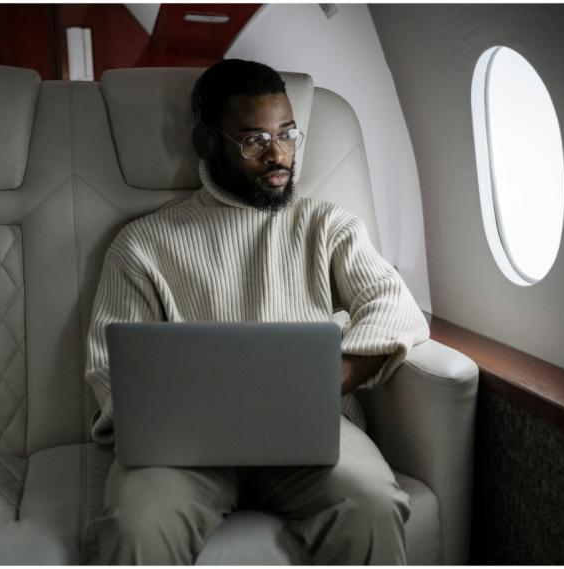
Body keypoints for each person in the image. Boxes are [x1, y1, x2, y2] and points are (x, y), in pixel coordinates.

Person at [84, 59, 430, 564]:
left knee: (373, 505)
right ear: (208, 143)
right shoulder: (142, 245)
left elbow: (395, 307)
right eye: (255, 140)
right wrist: (172, 415)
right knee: (138, 526)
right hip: (184, 449)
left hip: (310, 431)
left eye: (287, 134)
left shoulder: (327, 225)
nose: (279, 155)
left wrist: (330, 377)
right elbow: (108, 370)